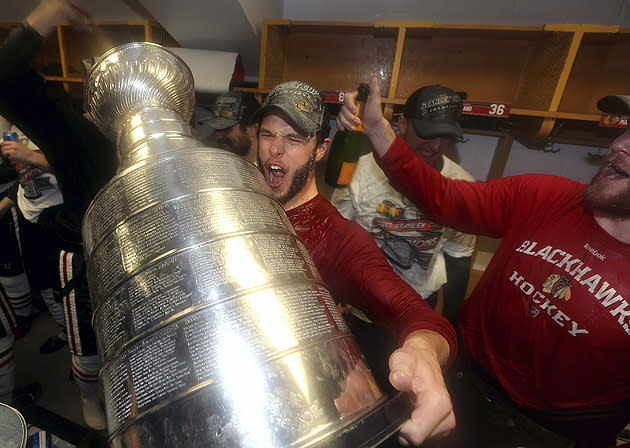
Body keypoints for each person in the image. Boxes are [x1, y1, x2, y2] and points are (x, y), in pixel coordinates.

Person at [336, 77, 630, 447]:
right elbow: (442, 196)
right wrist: (377, 128)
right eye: (626, 131)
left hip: (555, 432)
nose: (619, 147)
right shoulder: (546, 196)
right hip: (464, 387)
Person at [253, 80, 458, 446]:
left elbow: (419, 316)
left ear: (320, 149)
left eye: (295, 139)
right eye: (268, 135)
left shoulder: (340, 239)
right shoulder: (240, 198)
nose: (276, 150)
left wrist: (424, 350)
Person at [0, 0, 117, 431]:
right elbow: (6, 78)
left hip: (133, 253)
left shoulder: (163, 139)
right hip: (82, 248)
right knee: (86, 338)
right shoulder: (78, 131)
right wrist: (46, 16)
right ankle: (88, 398)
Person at [330, 85, 476, 322]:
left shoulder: (462, 186)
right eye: (428, 134)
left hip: (418, 305)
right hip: (361, 303)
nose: (436, 145)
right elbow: (337, 238)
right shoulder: (359, 172)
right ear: (403, 124)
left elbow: (458, 258)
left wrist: (452, 323)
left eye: (445, 136)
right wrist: (334, 292)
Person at [199, 90, 260, 164]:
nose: (218, 136)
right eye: (216, 129)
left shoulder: (270, 168)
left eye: (226, 128)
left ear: (252, 129)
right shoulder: (218, 163)